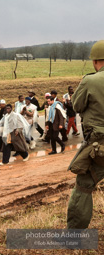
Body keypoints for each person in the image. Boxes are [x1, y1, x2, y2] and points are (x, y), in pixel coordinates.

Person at [67, 40, 104, 228]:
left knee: (84, 184)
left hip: (99, 145)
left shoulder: (90, 80)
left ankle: (74, 235)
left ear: (96, 61)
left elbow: (77, 105)